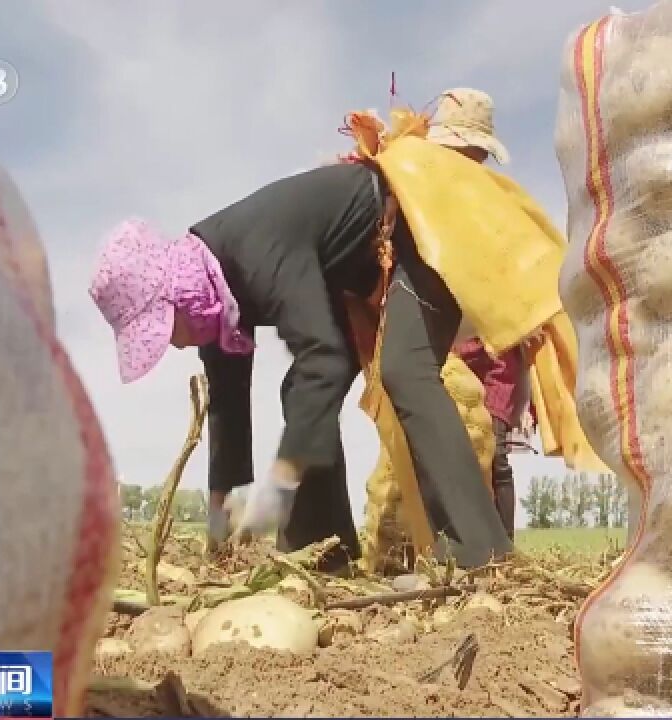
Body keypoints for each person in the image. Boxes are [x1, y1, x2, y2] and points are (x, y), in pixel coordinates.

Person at [89, 152, 514, 573]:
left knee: (404, 370)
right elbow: (227, 410)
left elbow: (324, 360)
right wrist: (218, 526)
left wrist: (280, 482)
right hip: (352, 278)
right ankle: (323, 556)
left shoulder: (256, 251)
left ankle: (481, 553)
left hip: (421, 229)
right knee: (299, 393)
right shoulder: (216, 305)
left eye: (167, 330)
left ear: (180, 297)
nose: (175, 346)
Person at [427, 88, 529, 539]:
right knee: (442, 448)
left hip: (496, 350)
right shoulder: (421, 200)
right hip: (444, 351)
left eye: (470, 151)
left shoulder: (501, 206)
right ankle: (445, 546)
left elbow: (526, 268)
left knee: (496, 454)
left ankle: (501, 555)